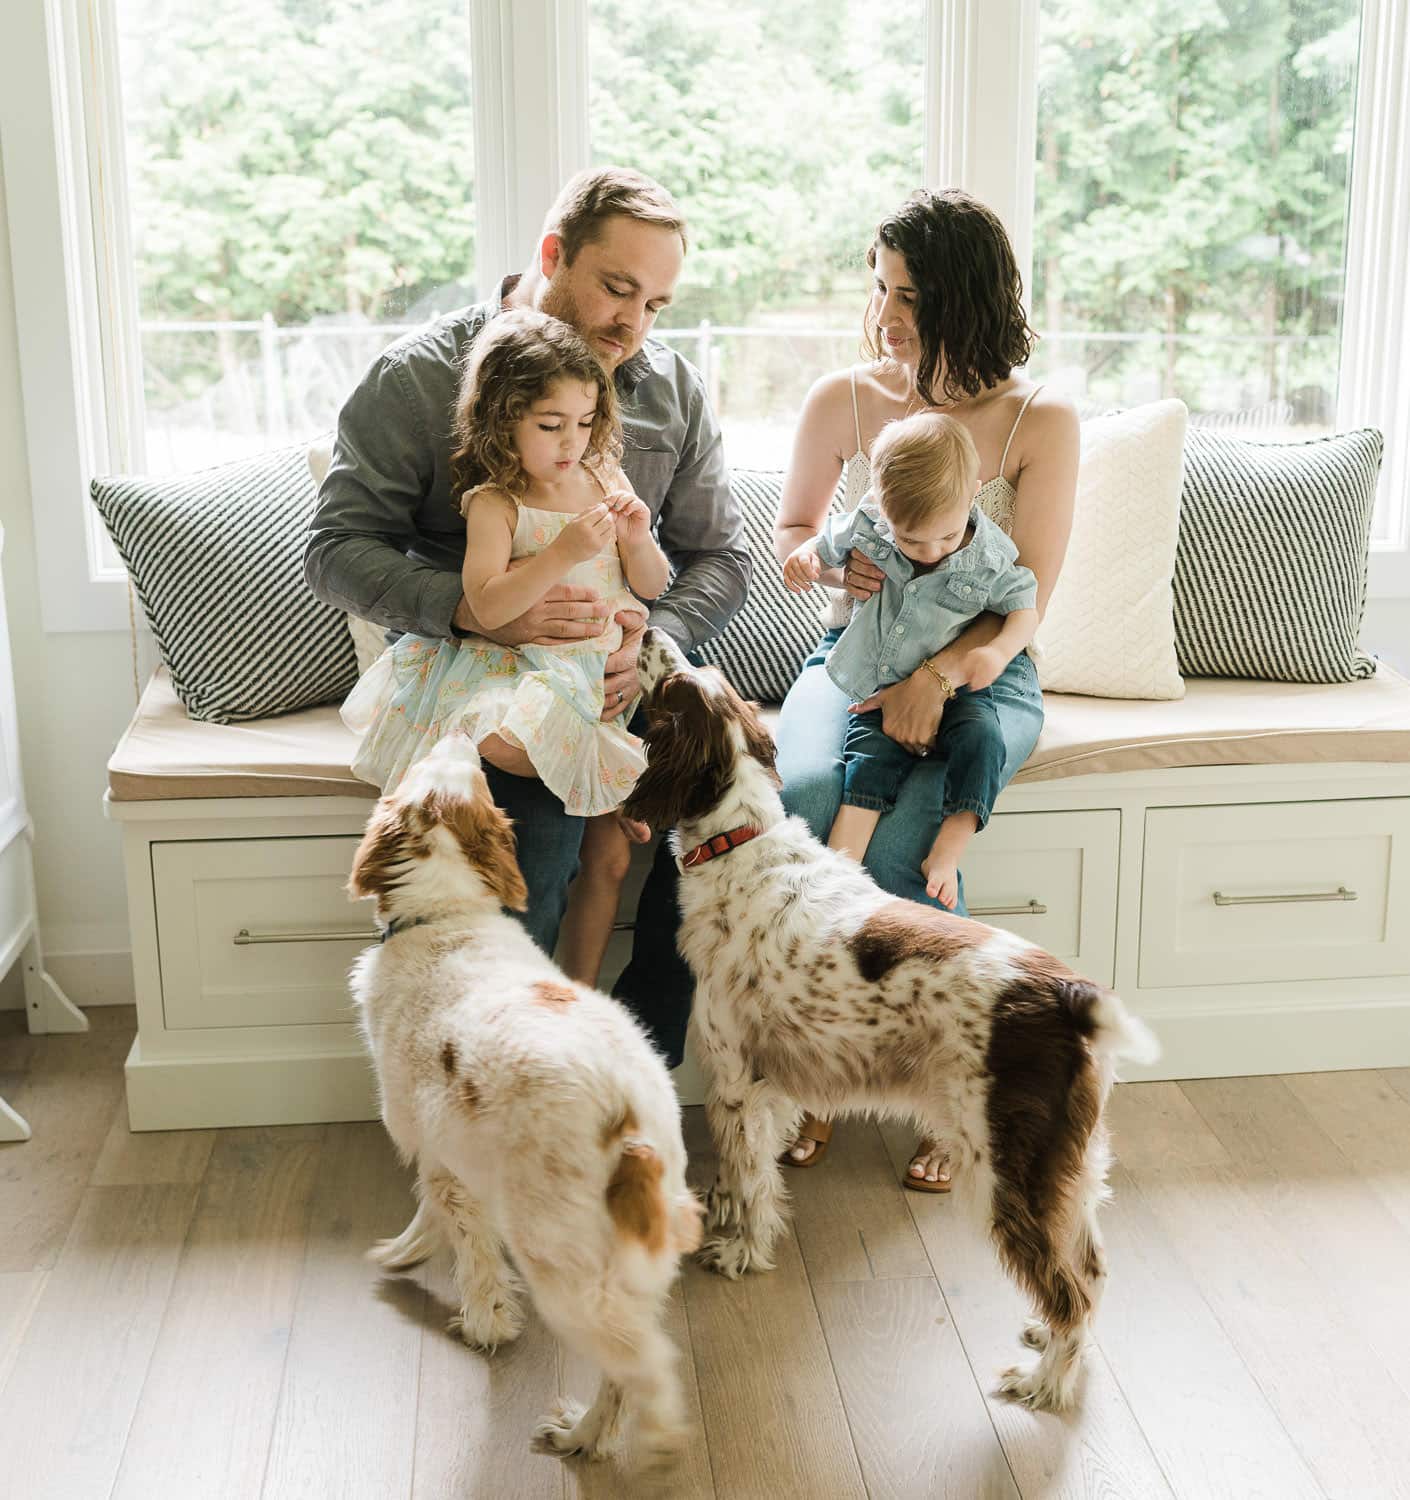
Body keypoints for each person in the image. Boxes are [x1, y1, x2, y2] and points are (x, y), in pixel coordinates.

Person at [307, 167, 749, 1062]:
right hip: (485, 682)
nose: (633, 326)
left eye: (657, 304)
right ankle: (480, 1089)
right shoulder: (423, 375)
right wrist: (478, 616)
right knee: (531, 850)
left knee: (736, 824)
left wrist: (657, 643)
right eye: (617, 289)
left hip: (619, 670)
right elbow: (337, 548)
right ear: (552, 257)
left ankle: (617, 1081)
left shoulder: (670, 389)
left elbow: (723, 559)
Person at [772, 188, 1079, 1187]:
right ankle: (821, 1076)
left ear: (972, 301)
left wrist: (941, 676)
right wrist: (826, 568)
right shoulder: (845, 399)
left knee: (902, 843)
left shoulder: (1040, 419)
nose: (886, 315)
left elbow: (1030, 590)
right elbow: (791, 538)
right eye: (880, 288)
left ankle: (952, 1086)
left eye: (910, 294)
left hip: (981, 678)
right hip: (850, 664)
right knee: (811, 796)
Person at [341, 310, 671, 984]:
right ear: (503, 422)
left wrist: (637, 539)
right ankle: (600, 786)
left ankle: (604, 787)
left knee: (597, 792)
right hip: (517, 667)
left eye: (583, 424)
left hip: (592, 672)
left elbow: (655, 582)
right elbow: (487, 604)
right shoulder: (495, 502)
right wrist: (564, 552)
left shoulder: (607, 479)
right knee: (521, 746)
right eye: (550, 426)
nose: (570, 443)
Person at [782, 411, 1038, 907]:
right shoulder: (871, 523)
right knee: (868, 760)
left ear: (974, 493)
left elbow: (1024, 606)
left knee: (983, 743)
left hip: (961, 685)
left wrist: (997, 651)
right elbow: (822, 543)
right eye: (910, 540)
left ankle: (946, 851)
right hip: (880, 675)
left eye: (943, 538)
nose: (928, 552)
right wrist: (807, 559)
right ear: (881, 504)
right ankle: (837, 879)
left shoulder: (988, 552)